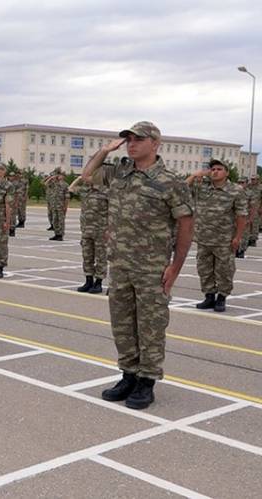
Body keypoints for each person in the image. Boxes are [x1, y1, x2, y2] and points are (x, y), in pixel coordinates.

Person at [83, 121, 193, 410]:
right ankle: (128, 374)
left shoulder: (171, 181)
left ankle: (147, 381)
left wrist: (175, 267)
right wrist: (104, 150)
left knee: (151, 326)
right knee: (122, 324)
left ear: (156, 143)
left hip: (152, 267)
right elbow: (87, 175)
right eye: (128, 139)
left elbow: (185, 224)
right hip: (119, 265)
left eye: (138, 139)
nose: (131, 144)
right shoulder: (120, 174)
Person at [186, 160, 247, 312]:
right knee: (204, 269)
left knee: (225, 270)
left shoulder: (235, 190)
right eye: (212, 169)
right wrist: (196, 175)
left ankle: (222, 298)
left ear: (227, 173)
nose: (215, 171)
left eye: (219, 169)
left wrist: (238, 237)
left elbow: (241, 215)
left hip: (224, 239)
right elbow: (182, 188)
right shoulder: (202, 187)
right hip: (203, 238)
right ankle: (209, 296)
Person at [69, 170, 108, 294]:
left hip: (101, 231)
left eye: (90, 176)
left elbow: (114, 211)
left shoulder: (106, 192)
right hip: (86, 230)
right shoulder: (85, 191)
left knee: (101, 258)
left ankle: (98, 283)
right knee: (87, 257)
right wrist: (80, 178)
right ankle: (88, 280)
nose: (87, 178)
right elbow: (71, 188)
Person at [46, 167, 68, 241]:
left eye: (61, 175)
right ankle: (56, 234)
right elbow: (45, 183)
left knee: (61, 220)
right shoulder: (54, 184)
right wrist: (52, 177)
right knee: (55, 220)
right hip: (54, 205)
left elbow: (67, 198)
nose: (59, 176)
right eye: (59, 175)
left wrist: (65, 207)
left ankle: (60, 235)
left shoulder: (65, 185)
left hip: (61, 206)